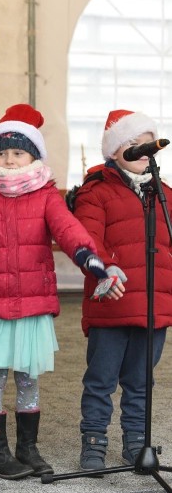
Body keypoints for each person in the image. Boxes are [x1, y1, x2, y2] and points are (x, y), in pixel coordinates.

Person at [0, 103, 116, 480]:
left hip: (33, 305)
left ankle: (27, 447)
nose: (8, 160)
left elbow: (68, 230)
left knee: (28, 378)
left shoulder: (46, 195)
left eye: (17, 152)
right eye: (1, 153)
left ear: (33, 156)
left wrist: (89, 257)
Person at [71, 109, 170, 472]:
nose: (143, 149)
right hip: (111, 304)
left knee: (142, 381)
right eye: (132, 142)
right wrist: (102, 271)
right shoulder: (96, 191)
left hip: (154, 307)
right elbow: (86, 239)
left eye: (147, 141)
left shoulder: (164, 195)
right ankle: (94, 444)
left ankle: (137, 444)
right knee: (101, 380)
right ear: (114, 151)